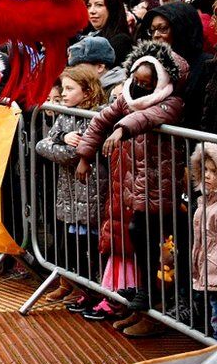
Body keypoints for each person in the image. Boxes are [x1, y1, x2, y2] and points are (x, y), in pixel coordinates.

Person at [75, 41, 189, 337]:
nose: (139, 86)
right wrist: (85, 155)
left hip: (161, 189)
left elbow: (148, 117)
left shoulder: (171, 101)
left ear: (161, 80)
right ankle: (141, 305)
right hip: (135, 187)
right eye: (136, 80)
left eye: (146, 82)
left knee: (155, 247)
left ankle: (154, 310)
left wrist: (122, 128)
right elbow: (101, 119)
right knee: (138, 239)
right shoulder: (127, 98)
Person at [36, 66, 108, 312]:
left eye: (70, 89)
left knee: (92, 247)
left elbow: (74, 154)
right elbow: (42, 146)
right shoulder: (65, 115)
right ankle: (77, 287)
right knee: (74, 244)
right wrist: (61, 139)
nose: (63, 94)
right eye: (63, 88)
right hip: (69, 194)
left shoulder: (98, 117)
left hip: (91, 192)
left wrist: (63, 145)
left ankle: (95, 292)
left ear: (87, 91)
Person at [141, 1, 214, 129]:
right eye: (152, 30)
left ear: (181, 29)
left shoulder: (206, 65)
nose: (156, 35)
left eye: (163, 29)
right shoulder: (153, 64)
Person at [190, 143, 217, 337]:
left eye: (214, 172)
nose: (207, 175)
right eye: (205, 170)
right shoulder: (205, 202)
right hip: (208, 271)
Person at [85, 0, 132, 66]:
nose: (92, 11)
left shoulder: (121, 41)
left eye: (99, 5)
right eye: (89, 6)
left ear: (112, 9)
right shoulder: (87, 36)